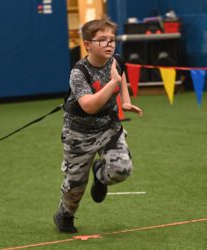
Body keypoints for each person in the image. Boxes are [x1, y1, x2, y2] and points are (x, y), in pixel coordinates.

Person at [53, 17, 143, 233]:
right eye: (102, 40)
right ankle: (64, 215)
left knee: (122, 169)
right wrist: (111, 83)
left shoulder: (116, 61)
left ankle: (100, 176)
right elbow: (89, 107)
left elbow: (120, 77)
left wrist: (126, 101)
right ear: (87, 45)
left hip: (108, 128)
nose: (109, 44)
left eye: (112, 39)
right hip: (79, 133)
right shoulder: (79, 73)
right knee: (75, 186)